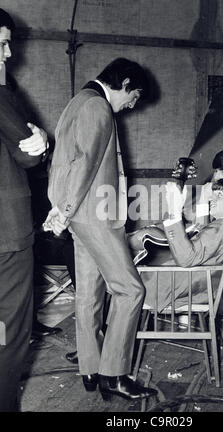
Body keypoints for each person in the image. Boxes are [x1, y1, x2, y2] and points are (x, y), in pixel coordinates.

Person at [44, 58, 157, 401]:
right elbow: (84, 165)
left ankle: (91, 368)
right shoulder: (98, 108)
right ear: (123, 83)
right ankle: (115, 374)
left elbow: (65, 162)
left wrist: (60, 207)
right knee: (130, 291)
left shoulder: (77, 102)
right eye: (133, 96)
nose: (132, 105)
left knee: (90, 293)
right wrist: (63, 211)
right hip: (94, 213)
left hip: (80, 212)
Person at [0, 9, 49, 412]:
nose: (8, 52)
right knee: (9, 335)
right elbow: (29, 156)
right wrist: (41, 139)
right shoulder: (1, 91)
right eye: (0, 43)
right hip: (7, 237)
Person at [138, 177, 223, 312]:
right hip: (203, 290)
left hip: (175, 288)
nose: (213, 199)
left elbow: (186, 258)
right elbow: (205, 239)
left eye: (219, 195)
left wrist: (174, 211)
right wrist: (203, 199)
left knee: (124, 276)